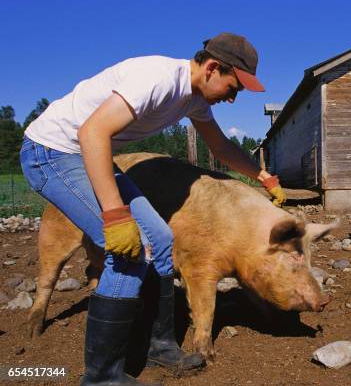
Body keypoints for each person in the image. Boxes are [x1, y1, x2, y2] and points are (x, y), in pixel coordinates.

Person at [20, 33, 286, 385]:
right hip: (51, 153)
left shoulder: (193, 100)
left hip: (85, 153)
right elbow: (92, 132)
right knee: (132, 248)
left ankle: (160, 346)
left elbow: (221, 147)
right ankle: (102, 377)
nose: (233, 99)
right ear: (211, 68)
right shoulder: (157, 79)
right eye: (233, 87)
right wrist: (115, 215)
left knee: (160, 238)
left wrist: (264, 176)